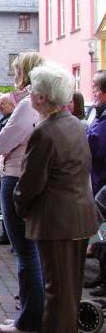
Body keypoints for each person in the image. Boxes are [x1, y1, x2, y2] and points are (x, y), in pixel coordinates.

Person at [15, 64, 100, 333]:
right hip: (79, 217)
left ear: (41, 97)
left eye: (32, 90)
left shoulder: (45, 131)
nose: (29, 94)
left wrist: (20, 206)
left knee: (57, 294)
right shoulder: (75, 123)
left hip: (56, 221)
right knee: (69, 291)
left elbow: (30, 184)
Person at [0, 51, 44, 333]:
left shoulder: (27, 105)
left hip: (15, 176)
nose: (14, 77)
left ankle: (28, 319)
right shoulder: (42, 103)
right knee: (30, 252)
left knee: (25, 254)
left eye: (16, 71)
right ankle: (30, 314)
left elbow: (2, 143)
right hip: (26, 175)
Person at [85, 70, 106, 296]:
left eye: (95, 87)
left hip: (102, 181)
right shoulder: (99, 114)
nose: (93, 91)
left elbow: (97, 146)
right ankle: (102, 275)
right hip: (97, 180)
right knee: (101, 234)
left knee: (104, 232)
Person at [0, 93, 15, 246]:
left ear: (12, 105)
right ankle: (6, 233)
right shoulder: (3, 118)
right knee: (2, 199)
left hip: (7, 164)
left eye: (3, 103)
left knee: (7, 203)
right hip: (1, 162)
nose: (0, 106)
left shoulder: (11, 120)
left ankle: (8, 235)